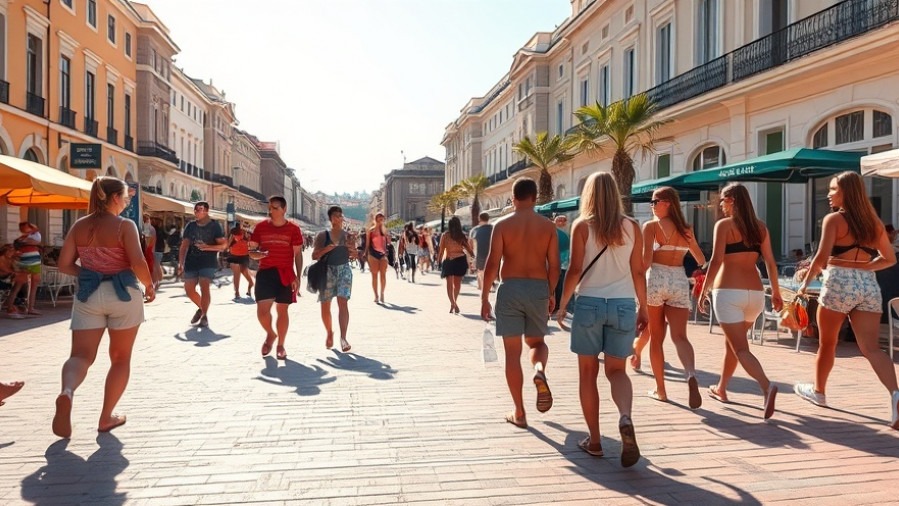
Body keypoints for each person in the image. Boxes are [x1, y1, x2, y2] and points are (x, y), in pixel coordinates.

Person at [554, 172, 647, 467]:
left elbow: (574, 270)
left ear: (589, 194)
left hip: (589, 304)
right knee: (617, 371)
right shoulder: (633, 226)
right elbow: (638, 271)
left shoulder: (582, 226)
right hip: (623, 304)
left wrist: (562, 305)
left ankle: (594, 441)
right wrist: (644, 307)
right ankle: (625, 417)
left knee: (587, 374)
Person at [793, 172, 899, 429]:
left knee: (827, 344)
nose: (829, 194)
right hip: (868, 285)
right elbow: (890, 259)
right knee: (872, 348)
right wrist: (864, 266)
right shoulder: (873, 223)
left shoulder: (834, 220)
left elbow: (821, 258)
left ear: (846, 193)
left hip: (839, 283)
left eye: (833, 190)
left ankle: (819, 392)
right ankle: (896, 395)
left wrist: (804, 285)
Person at [52, 176, 154, 438]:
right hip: (124, 294)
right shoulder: (125, 225)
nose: (127, 200)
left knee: (80, 356)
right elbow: (138, 262)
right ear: (115, 198)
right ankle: (106, 417)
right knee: (120, 358)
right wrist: (149, 285)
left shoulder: (79, 226)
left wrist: (89, 274)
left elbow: (64, 265)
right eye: (126, 196)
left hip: (89, 295)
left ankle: (67, 392)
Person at [481, 177, 560, 430]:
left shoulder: (502, 225)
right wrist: (551, 293)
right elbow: (555, 266)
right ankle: (539, 369)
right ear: (535, 198)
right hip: (538, 288)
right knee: (537, 343)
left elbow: (492, 263)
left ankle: (519, 412)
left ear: (513, 199)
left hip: (510, 288)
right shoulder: (548, 227)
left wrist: (484, 298)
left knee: (512, 354)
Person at [698, 183, 781, 420]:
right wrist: (776, 292)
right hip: (755, 295)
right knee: (733, 344)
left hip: (728, 293)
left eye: (723, 200)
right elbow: (770, 262)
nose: (721, 204)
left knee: (741, 349)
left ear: (732, 200)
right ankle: (721, 388)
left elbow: (716, 261)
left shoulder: (724, 226)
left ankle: (766, 386)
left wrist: (704, 290)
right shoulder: (760, 227)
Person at [641, 186, 707, 408]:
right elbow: (700, 258)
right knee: (680, 337)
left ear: (667, 203)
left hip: (657, 278)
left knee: (656, 338)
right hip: (679, 279)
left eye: (654, 201)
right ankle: (690, 374)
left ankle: (661, 390)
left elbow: (646, 262)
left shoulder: (651, 227)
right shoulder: (686, 229)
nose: (651, 206)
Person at [249, 196, 304, 361]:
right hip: (265, 273)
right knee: (262, 312)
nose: (271, 211)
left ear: (284, 209)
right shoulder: (260, 227)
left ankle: (281, 345)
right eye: (270, 208)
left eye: (275, 208)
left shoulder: (294, 229)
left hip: (285, 274)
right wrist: (258, 254)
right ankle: (270, 334)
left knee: (282, 310)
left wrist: (298, 276)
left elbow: (298, 254)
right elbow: (251, 252)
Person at [312, 206, 355, 353]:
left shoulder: (348, 236)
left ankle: (343, 338)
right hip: (327, 271)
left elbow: (353, 255)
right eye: (336, 215)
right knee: (325, 306)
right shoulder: (322, 236)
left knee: (343, 302)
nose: (340, 217)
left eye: (341, 215)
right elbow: (314, 256)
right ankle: (329, 332)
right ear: (331, 219)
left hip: (344, 270)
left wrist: (352, 250)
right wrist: (327, 249)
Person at [178, 202, 226, 327]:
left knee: (204, 286)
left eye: (200, 210)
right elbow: (184, 246)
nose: (197, 212)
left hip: (208, 261)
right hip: (191, 262)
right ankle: (201, 308)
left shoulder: (215, 226)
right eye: (195, 210)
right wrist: (181, 263)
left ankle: (204, 316)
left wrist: (208, 247)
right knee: (189, 290)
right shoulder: (191, 226)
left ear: (207, 211)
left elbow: (223, 246)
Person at [438, 216, 475, 314]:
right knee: (457, 285)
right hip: (460, 260)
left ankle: (453, 303)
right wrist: (473, 256)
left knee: (449, 285)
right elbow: (468, 248)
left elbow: (441, 250)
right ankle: (454, 303)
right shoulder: (461, 236)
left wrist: (438, 261)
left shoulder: (445, 235)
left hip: (449, 261)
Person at [7, 222, 42, 317]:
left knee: (19, 284)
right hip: (33, 261)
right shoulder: (31, 238)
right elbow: (36, 240)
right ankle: (30, 308)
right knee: (33, 284)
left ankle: (10, 306)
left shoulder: (20, 239)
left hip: (24, 261)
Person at [365, 212, 390, 304]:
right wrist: (366, 253)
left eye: (382, 218)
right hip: (373, 254)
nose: (380, 219)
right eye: (379, 218)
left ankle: (382, 293)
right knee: (374, 276)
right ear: (376, 219)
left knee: (383, 275)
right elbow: (368, 243)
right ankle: (376, 295)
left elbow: (388, 242)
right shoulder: (371, 230)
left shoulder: (384, 230)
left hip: (383, 254)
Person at [227, 225, 255, 300]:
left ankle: (249, 288)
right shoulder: (234, 234)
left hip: (242, 257)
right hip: (235, 256)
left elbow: (252, 244)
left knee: (244, 274)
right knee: (237, 273)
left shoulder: (246, 234)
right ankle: (237, 292)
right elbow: (228, 244)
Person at [470, 212, 493, 290]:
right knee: (488, 272)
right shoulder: (493, 228)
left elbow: (472, 246)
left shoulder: (475, 230)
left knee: (481, 272)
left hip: (479, 255)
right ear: (488, 219)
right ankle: (485, 288)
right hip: (492, 254)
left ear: (479, 219)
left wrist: (472, 259)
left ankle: (483, 289)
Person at [553, 215, 570, 310]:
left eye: (564, 220)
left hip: (564, 264)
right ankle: (557, 305)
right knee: (558, 285)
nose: (561, 222)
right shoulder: (555, 232)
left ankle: (559, 305)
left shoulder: (567, 232)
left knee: (560, 285)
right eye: (559, 220)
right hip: (557, 264)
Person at [142, 214, 157, 287]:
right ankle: (154, 283)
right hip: (151, 250)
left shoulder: (147, 227)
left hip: (148, 250)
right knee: (151, 267)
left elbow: (147, 240)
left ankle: (151, 284)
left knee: (149, 268)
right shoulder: (152, 228)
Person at [152, 218, 166, 288]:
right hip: (160, 249)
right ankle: (158, 280)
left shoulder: (155, 229)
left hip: (156, 249)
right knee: (157, 264)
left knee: (156, 265)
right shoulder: (161, 229)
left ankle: (157, 281)